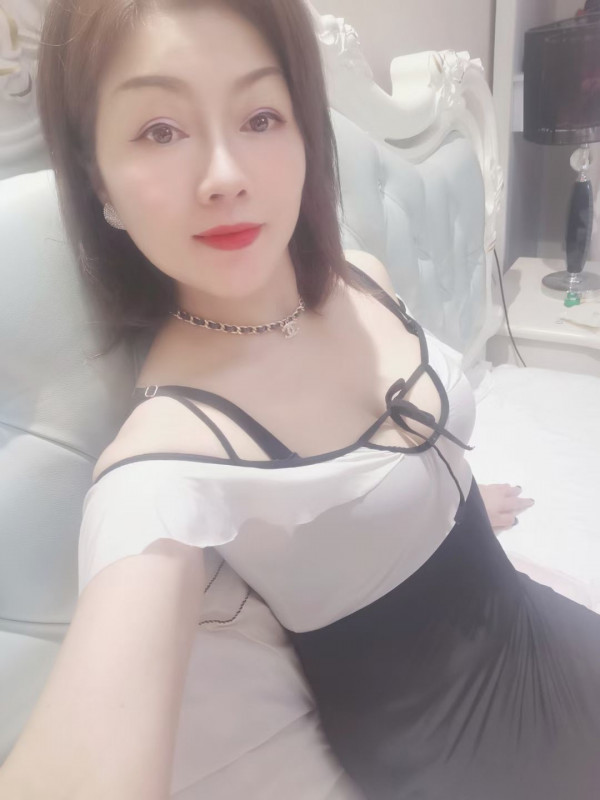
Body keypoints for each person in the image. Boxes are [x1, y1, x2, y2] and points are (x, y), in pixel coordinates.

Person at [1, 1, 596, 799]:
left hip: (539, 631)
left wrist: (446, 506)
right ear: (97, 179)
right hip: (463, 757)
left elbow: (394, 474)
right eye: (160, 131)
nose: (225, 175)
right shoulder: (165, 461)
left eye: (260, 116)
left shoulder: (361, 277)